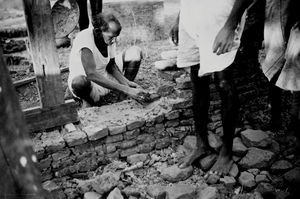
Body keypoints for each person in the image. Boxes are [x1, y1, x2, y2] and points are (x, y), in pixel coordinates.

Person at [170, 0, 252, 180]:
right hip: (191, 18)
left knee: (223, 82)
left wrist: (230, 26)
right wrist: (181, 17)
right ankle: (201, 144)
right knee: (197, 80)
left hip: (220, 18)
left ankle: (227, 152)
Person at [67, 13, 148, 107]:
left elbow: (111, 66)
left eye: (115, 37)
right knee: (79, 82)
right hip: (90, 83)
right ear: (98, 31)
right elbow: (91, 74)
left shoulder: (108, 38)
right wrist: (126, 89)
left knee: (135, 52)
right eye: (111, 37)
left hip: (105, 77)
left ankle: (123, 96)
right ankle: (89, 102)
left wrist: (127, 83)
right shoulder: (85, 38)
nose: (113, 41)